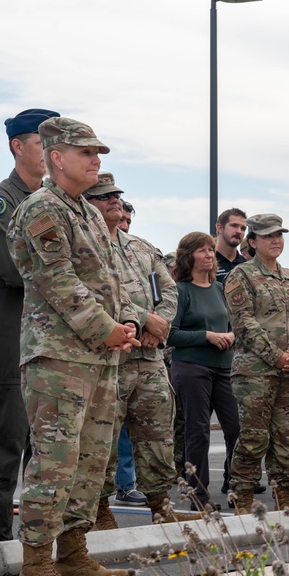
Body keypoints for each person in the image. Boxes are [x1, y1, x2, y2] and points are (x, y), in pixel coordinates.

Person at [7, 117, 139, 576]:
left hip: (99, 356)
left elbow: (110, 280)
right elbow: (57, 281)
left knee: (90, 461)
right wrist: (105, 328)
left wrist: (125, 325)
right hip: (58, 357)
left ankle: (73, 553)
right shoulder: (42, 209)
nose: (96, 161)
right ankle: (36, 567)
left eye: (98, 153)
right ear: (57, 157)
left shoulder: (84, 210)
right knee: (55, 464)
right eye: (86, 153)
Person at [84, 173, 199, 527]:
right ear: (87, 203)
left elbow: (170, 292)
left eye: (116, 194)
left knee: (157, 436)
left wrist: (158, 327)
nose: (114, 201)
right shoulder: (86, 246)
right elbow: (95, 297)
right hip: (109, 359)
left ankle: (161, 506)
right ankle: (101, 510)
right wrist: (145, 319)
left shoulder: (142, 248)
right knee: (101, 437)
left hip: (148, 358)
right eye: (104, 196)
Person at [0, 107, 58, 542]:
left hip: (49, 347)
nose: (51, 151)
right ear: (18, 146)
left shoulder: (55, 203)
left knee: (50, 459)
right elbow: (12, 268)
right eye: (42, 142)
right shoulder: (5, 200)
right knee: (6, 455)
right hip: (12, 347)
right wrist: (70, 280)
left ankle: (37, 553)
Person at [225, 214, 289, 513]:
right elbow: (244, 323)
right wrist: (276, 356)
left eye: (279, 235)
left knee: (286, 438)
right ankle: (243, 497)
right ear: (252, 242)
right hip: (256, 372)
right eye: (268, 236)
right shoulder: (241, 276)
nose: (276, 240)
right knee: (253, 438)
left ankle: (283, 496)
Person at [168, 232, 243, 509]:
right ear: (189, 256)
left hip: (224, 367)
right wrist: (207, 336)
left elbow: (231, 325)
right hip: (191, 368)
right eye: (202, 250)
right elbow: (170, 334)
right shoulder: (179, 290)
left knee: (236, 428)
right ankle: (197, 496)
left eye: (211, 250)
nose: (209, 255)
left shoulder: (219, 289)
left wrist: (231, 335)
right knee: (197, 431)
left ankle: (235, 485)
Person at [109, 197, 146, 507]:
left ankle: (128, 483)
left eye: (128, 222)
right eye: (121, 219)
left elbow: (160, 291)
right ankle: (112, 489)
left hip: (140, 351)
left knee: (131, 430)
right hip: (111, 351)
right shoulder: (99, 248)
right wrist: (141, 320)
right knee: (112, 427)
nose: (124, 225)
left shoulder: (140, 253)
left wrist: (149, 325)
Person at [214, 207, 247, 284]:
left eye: (243, 228)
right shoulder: (207, 262)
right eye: (234, 226)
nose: (239, 231)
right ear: (220, 228)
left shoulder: (246, 265)